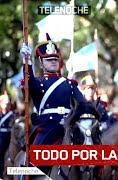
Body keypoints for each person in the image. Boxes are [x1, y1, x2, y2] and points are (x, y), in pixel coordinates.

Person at [20, 33, 86, 175]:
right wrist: (27, 62)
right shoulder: (38, 83)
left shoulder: (69, 83)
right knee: (35, 164)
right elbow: (29, 83)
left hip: (70, 125)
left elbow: (82, 104)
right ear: (41, 63)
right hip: (48, 127)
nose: (53, 62)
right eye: (49, 59)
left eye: (56, 59)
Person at [0, 92, 17, 178]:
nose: (6, 105)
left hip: (9, 139)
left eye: (7, 104)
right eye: (4, 103)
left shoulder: (13, 116)